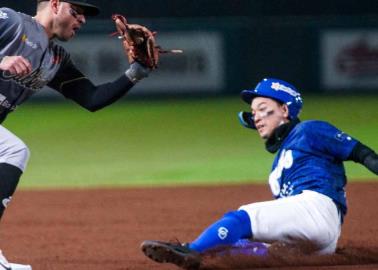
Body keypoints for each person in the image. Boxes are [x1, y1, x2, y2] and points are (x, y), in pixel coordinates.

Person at [141, 78, 378, 270]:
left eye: (263, 109)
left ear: (285, 110)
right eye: (253, 112)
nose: (256, 116)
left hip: (315, 208)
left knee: (241, 217)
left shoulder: (309, 129)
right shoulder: (279, 162)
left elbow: (363, 153)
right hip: (319, 236)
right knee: (245, 244)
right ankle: (208, 260)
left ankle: (191, 250)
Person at [0, 0, 151, 268]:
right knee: (13, 150)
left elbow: (92, 98)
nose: (81, 20)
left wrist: (136, 73)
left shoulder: (55, 58)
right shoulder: (11, 21)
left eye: (84, 15)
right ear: (55, 5)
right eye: (76, 11)